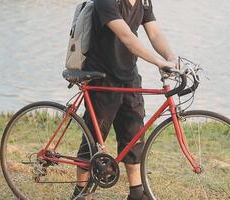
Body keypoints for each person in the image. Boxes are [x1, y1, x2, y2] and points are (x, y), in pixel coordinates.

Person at [72, 0, 177, 199]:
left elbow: (154, 33)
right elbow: (126, 36)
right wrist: (158, 62)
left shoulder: (143, 2)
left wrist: (171, 57)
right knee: (94, 137)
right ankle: (81, 192)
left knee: (134, 131)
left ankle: (136, 192)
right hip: (102, 77)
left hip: (129, 75)